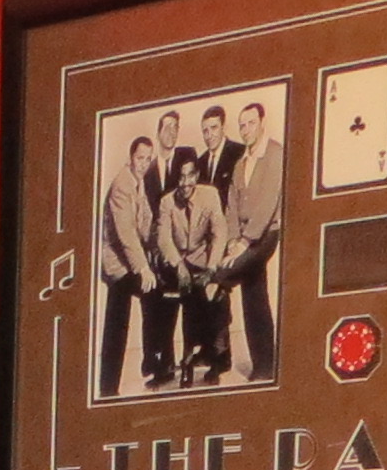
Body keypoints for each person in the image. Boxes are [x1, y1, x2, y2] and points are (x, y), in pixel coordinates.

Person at [97, 133, 170, 398]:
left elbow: (146, 223)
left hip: (130, 262)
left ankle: (151, 364)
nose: (144, 164)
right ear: (131, 158)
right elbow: (126, 233)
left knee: (155, 296)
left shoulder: (138, 182)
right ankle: (109, 388)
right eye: (140, 158)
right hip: (117, 265)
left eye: (148, 159)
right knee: (118, 324)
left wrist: (162, 249)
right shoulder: (122, 185)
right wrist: (144, 268)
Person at [217, 98, 284, 383]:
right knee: (254, 293)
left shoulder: (275, 154)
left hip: (266, 233)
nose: (246, 130)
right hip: (243, 238)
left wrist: (244, 243)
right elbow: (231, 206)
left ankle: (264, 364)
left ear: (262, 123)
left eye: (251, 123)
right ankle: (264, 365)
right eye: (242, 125)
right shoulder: (240, 164)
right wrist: (234, 239)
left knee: (225, 276)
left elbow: (268, 203)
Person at [155, 146, 230, 387]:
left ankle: (217, 357)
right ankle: (185, 360)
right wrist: (178, 265)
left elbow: (220, 233)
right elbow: (163, 239)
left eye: (190, 176)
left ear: (197, 175)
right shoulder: (167, 202)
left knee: (215, 294)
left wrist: (211, 268)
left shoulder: (210, 195)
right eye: (180, 177)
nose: (185, 183)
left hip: (203, 260)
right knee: (187, 295)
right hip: (176, 262)